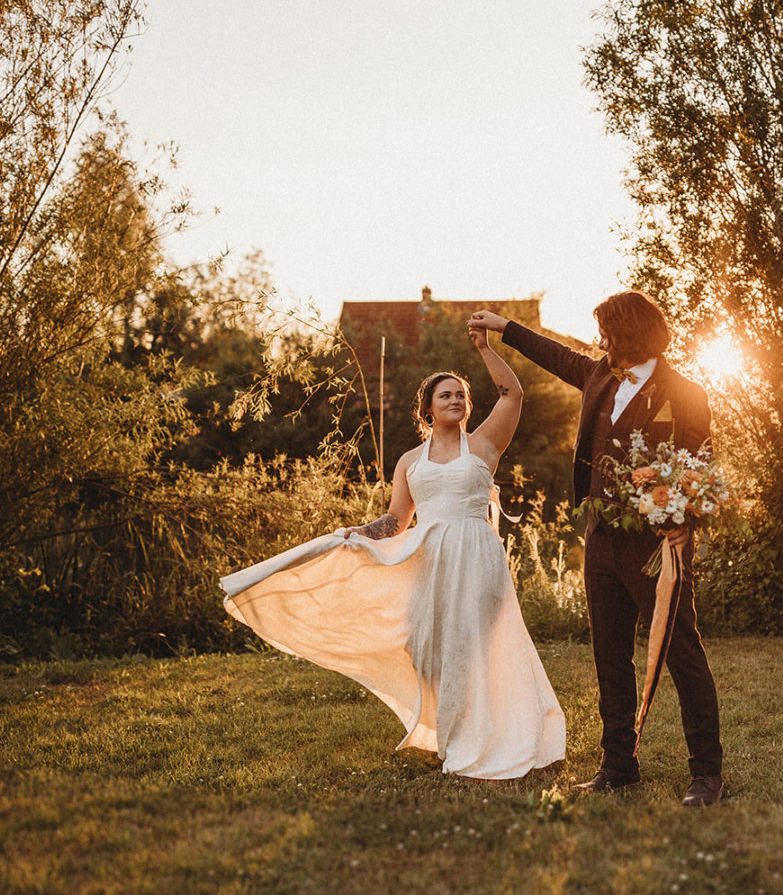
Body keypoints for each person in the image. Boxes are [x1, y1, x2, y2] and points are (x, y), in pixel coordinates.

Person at [219, 328, 565, 779]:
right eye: (446, 395)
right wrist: (358, 534)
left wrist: (484, 348)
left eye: (461, 395)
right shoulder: (408, 462)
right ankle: (456, 731)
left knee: (474, 646)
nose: (456, 400)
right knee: (426, 647)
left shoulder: (484, 444)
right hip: (430, 561)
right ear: (428, 408)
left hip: (476, 557)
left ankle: (489, 737)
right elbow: (397, 520)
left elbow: (512, 393)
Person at [468, 291, 725, 807]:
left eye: (606, 330)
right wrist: (503, 327)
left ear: (628, 332)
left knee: (682, 655)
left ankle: (706, 774)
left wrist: (685, 522)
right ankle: (618, 764)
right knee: (610, 655)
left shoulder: (686, 392)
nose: (600, 339)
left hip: (656, 548)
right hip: (601, 539)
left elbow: (701, 464)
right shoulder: (600, 376)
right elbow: (555, 353)